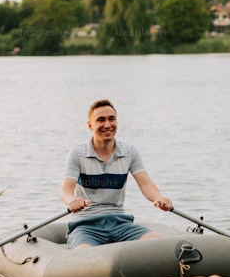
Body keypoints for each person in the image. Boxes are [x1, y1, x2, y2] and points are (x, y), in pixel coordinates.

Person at [60, 99, 173, 249]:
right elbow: (65, 190)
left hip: (120, 223)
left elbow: (146, 184)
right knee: (84, 255)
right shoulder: (77, 153)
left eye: (111, 119)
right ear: (90, 125)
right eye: (101, 120)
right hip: (86, 225)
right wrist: (71, 201)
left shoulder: (129, 152)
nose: (107, 125)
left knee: (160, 245)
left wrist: (159, 199)